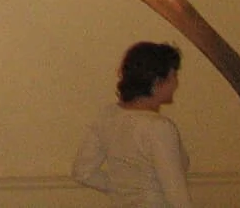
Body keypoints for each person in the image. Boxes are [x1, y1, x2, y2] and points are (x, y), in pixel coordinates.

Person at [74, 41, 194, 207]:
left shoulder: (108, 116)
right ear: (157, 82)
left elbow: (83, 172)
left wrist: (122, 189)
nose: (176, 83)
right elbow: (177, 196)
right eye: (173, 76)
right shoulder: (159, 128)